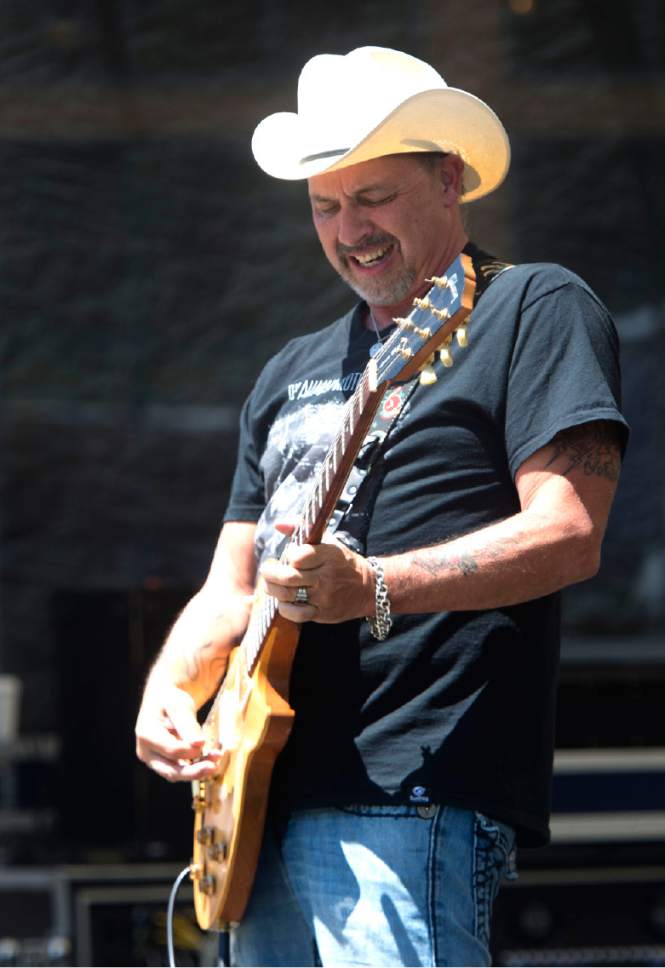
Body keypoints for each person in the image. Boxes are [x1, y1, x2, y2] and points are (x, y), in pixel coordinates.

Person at [135, 46, 628, 966]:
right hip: (255, 798)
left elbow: (567, 534)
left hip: (413, 791)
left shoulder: (530, 306)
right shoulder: (290, 370)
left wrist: (373, 587)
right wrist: (171, 688)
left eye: (373, 197)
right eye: (325, 205)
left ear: (449, 179)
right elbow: (230, 586)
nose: (348, 229)